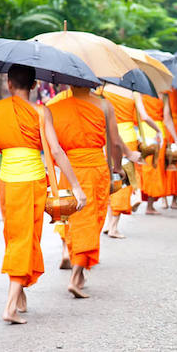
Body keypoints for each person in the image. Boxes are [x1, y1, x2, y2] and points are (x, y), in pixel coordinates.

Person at [0, 65, 86, 323]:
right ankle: (9, 307)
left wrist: (9, 140)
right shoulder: (41, 112)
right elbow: (57, 152)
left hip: (7, 183)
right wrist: (76, 187)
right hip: (31, 183)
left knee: (14, 236)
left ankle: (20, 294)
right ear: (35, 85)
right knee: (25, 240)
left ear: (8, 83)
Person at [47, 85, 122, 298]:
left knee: (73, 220)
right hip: (95, 169)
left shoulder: (54, 107)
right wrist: (116, 168)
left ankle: (77, 270)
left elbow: (52, 147)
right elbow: (114, 143)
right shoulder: (104, 105)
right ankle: (76, 275)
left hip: (68, 170)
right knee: (90, 221)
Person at [97, 86, 143, 237]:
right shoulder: (132, 93)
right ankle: (114, 227)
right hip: (127, 138)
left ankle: (110, 222)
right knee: (122, 179)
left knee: (111, 177)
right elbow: (141, 117)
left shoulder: (102, 91)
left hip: (106, 139)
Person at [140, 93, 168, 214]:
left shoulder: (138, 94)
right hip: (157, 134)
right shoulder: (163, 96)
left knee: (144, 170)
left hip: (142, 133)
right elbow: (167, 118)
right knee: (154, 170)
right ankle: (150, 206)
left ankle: (141, 199)